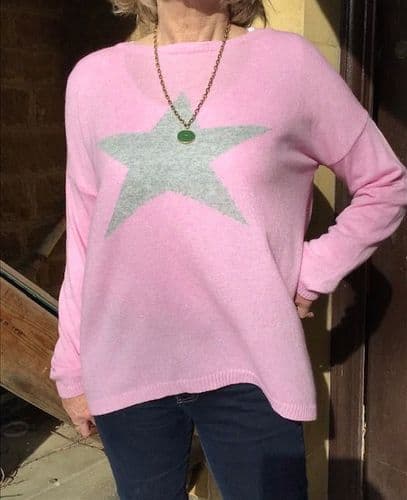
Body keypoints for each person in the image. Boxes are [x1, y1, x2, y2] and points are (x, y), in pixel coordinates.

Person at [49, 1, 407, 498]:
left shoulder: (291, 65)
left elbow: (385, 183)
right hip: (124, 362)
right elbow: (83, 234)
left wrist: (310, 274)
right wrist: (70, 364)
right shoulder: (92, 80)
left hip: (251, 367)